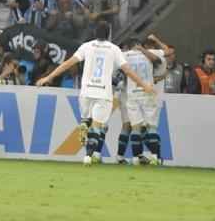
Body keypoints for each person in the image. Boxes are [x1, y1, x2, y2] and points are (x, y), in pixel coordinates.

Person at [36, 20, 154, 165]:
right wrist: (144, 85)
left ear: (94, 33)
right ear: (109, 34)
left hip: (86, 91)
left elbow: (68, 63)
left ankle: (85, 123)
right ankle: (88, 155)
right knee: (97, 127)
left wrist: (48, 77)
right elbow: (128, 71)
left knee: (87, 119)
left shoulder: (86, 46)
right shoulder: (114, 49)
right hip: (103, 93)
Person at [124, 39, 166, 166]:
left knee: (136, 127)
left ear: (129, 47)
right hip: (147, 92)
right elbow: (160, 60)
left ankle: (136, 158)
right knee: (151, 126)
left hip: (133, 93)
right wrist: (143, 50)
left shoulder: (125, 55)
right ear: (139, 45)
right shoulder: (149, 53)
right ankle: (155, 157)